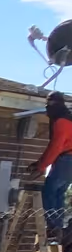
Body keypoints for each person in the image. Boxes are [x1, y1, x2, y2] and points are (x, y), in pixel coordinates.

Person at [31, 93, 72, 232]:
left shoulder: (61, 121)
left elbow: (56, 147)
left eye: (49, 103)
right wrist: (40, 162)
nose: (47, 107)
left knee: (49, 191)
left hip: (66, 160)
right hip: (68, 160)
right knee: (59, 193)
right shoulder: (68, 118)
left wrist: (41, 166)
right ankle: (58, 226)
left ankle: (53, 226)